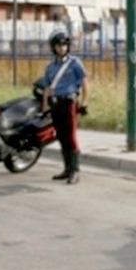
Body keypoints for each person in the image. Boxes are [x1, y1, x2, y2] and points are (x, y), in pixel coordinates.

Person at [41, 29, 88, 184]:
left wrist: (85, 101)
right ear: (53, 48)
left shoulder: (74, 63)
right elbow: (47, 88)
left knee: (71, 136)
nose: (61, 48)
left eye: (64, 45)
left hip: (69, 102)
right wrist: (45, 105)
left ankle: (75, 171)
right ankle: (67, 169)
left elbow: (84, 83)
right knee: (61, 137)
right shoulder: (50, 68)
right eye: (58, 45)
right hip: (56, 104)